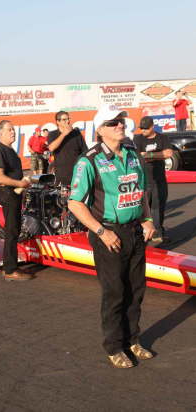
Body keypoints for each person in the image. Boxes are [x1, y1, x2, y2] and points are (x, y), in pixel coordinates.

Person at [68, 104, 155, 369]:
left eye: (120, 120)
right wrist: (102, 232)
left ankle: (132, 340)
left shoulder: (131, 153)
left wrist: (148, 219)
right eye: (112, 122)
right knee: (115, 293)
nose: (120, 125)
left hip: (135, 232)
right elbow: (75, 203)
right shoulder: (89, 160)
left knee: (136, 291)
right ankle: (114, 346)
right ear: (100, 130)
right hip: (108, 233)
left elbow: (141, 191)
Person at [0, 120, 33, 281]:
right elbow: (0, 177)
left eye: (14, 130)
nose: (13, 132)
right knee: (12, 232)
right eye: (9, 130)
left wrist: (26, 182)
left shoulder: (11, 151)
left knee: (13, 230)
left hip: (15, 193)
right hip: (8, 194)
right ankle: (10, 270)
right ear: (0, 133)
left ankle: (10, 266)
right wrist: (20, 183)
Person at [133, 116, 173, 242]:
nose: (143, 131)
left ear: (152, 127)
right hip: (143, 179)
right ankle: (142, 233)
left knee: (158, 207)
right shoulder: (138, 138)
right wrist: (158, 155)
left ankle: (158, 233)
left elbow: (168, 153)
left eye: (145, 129)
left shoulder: (162, 138)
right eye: (142, 128)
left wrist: (149, 155)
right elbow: (137, 155)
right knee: (143, 208)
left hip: (159, 179)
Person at [48, 111, 88, 186]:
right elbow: (51, 148)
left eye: (68, 119)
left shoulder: (76, 133)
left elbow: (85, 151)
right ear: (58, 121)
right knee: (63, 196)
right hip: (61, 174)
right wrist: (64, 134)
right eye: (64, 119)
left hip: (77, 173)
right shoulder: (52, 134)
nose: (68, 121)